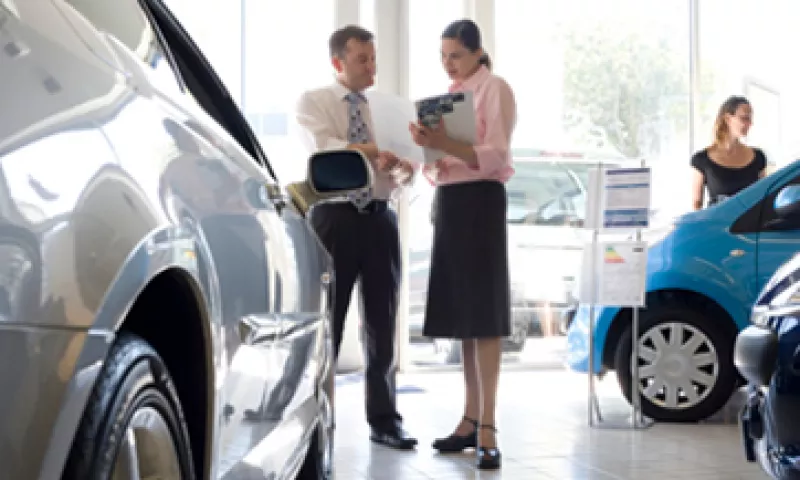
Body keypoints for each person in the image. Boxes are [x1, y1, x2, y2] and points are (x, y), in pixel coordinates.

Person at [293, 25, 418, 450]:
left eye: (374, 58)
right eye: (362, 59)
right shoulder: (315, 101)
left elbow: (404, 170)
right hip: (334, 218)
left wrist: (403, 167)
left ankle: (385, 420)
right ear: (338, 62)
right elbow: (324, 147)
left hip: (381, 218)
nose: (371, 67)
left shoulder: (387, 109)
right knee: (327, 322)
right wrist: (370, 150)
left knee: (383, 324)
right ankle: (315, 415)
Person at [408, 19, 516, 470]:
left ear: (476, 53)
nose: (448, 63)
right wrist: (428, 152)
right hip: (450, 201)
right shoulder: (447, 98)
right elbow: (439, 165)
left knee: (486, 316)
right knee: (465, 318)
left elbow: (496, 154)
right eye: (443, 56)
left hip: (481, 202)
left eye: (455, 55)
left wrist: (444, 143)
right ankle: (469, 417)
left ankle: (489, 423)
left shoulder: (494, 88)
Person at [691, 95, 767, 210]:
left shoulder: (758, 157)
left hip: (751, 226)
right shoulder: (702, 159)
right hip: (717, 225)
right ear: (727, 119)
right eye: (744, 118)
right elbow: (696, 204)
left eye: (750, 119)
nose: (750, 123)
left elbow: (765, 196)